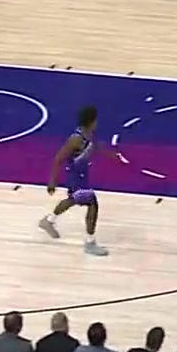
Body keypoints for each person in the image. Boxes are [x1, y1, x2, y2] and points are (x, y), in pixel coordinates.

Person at [40, 106, 108, 256]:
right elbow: (58, 158)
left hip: (83, 175)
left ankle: (49, 221)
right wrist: (52, 181)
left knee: (72, 200)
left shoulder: (89, 134)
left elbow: (95, 147)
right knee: (92, 203)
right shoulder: (76, 139)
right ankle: (90, 243)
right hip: (75, 177)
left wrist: (110, 155)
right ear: (91, 121)